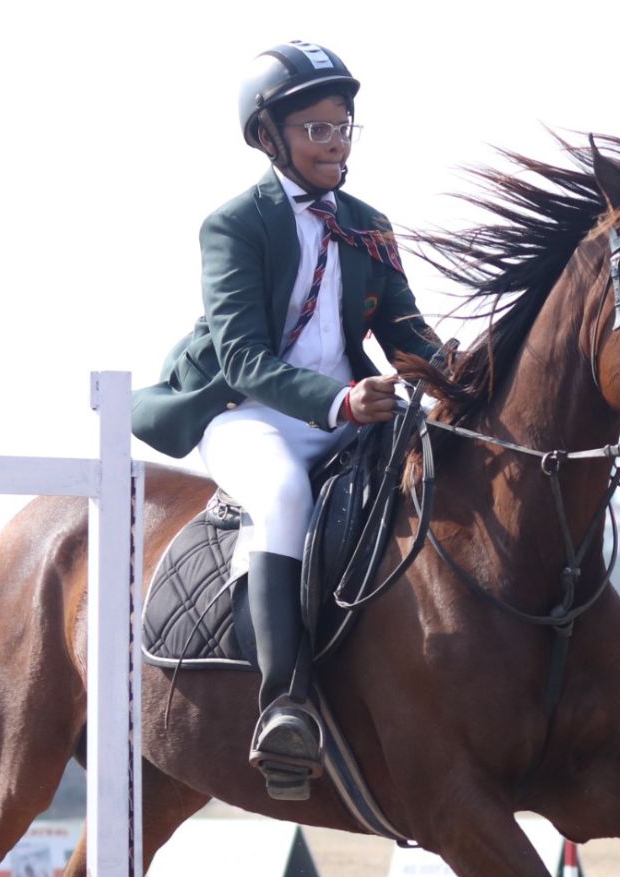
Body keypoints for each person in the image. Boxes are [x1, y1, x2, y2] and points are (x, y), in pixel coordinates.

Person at [133, 41, 440, 800]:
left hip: (349, 409)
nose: (335, 144)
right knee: (281, 494)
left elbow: (406, 334)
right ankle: (284, 703)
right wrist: (340, 402)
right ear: (270, 137)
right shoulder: (236, 225)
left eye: (342, 127)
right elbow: (242, 357)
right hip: (247, 413)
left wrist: (467, 372)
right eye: (316, 130)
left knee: (450, 468)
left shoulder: (369, 225)